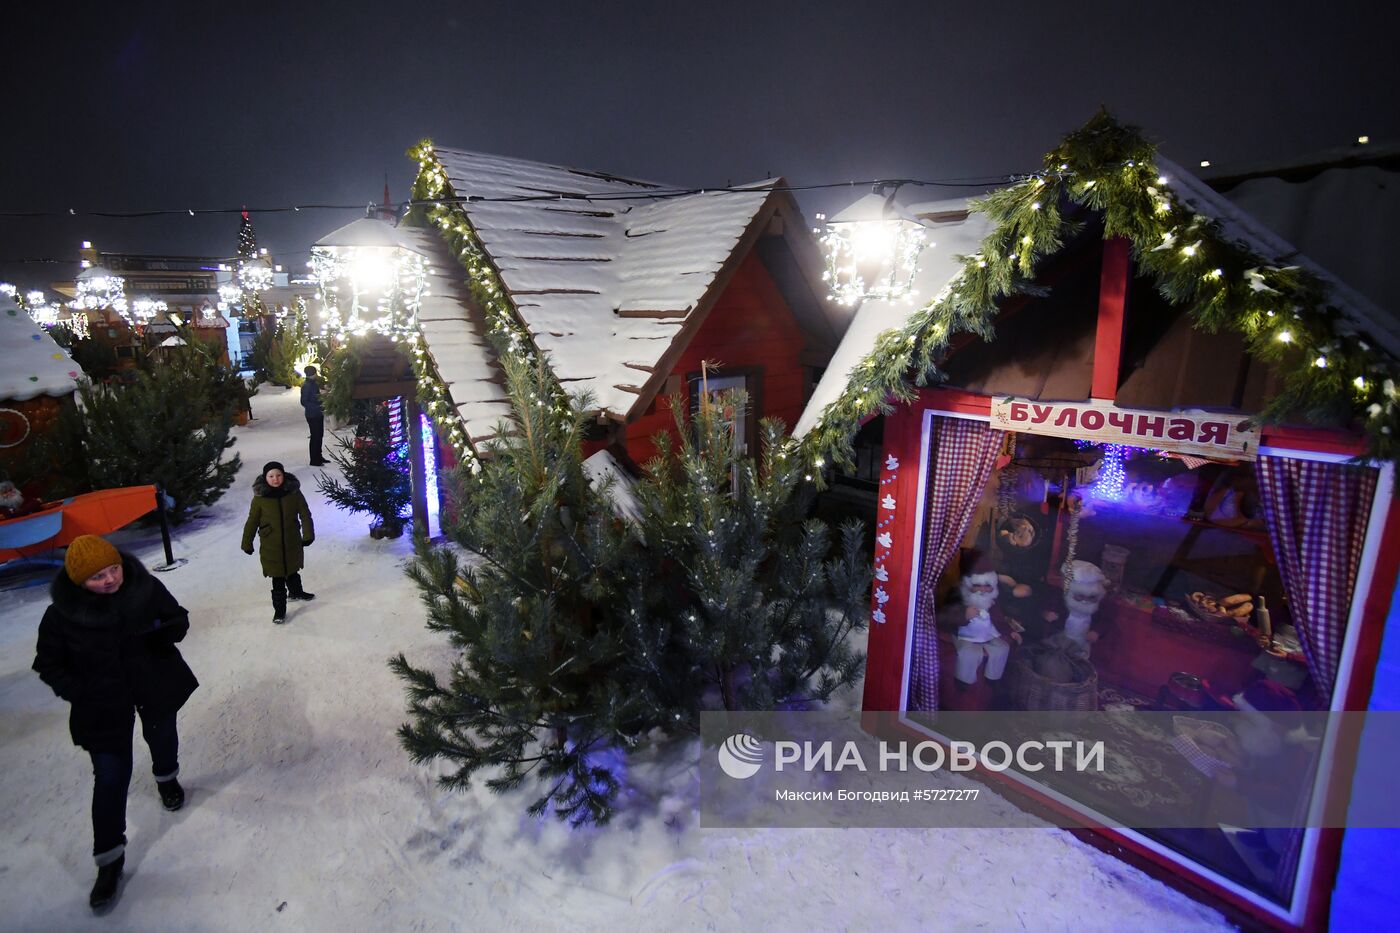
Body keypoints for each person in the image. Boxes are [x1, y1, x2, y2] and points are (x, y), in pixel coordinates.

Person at [31, 535, 199, 911]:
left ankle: (166, 777)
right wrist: (81, 691)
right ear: (78, 582)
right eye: (97, 577)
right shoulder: (61, 615)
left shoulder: (144, 588)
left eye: (113, 570)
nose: (109, 580)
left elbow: (177, 618)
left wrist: (168, 628)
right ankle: (109, 859)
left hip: (152, 682)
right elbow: (49, 664)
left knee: (163, 736)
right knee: (109, 775)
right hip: (102, 704)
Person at [241, 461, 316, 624]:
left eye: (279, 475)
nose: (275, 479)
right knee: (278, 579)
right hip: (271, 545)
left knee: (293, 570)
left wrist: (308, 534)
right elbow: (252, 521)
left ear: (284, 475)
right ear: (265, 478)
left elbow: (305, 513)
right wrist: (247, 543)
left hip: (292, 541)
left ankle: (296, 592)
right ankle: (280, 611)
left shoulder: (293, 493)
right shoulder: (260, 498)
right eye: (271, 476)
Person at [300, 364, 327, 466]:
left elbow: (315, 397)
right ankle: (314, 460)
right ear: (313, 374)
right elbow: (304, 401)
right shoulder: (307, 386)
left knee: (319, 436)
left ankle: (318, 456)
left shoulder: (313, 384)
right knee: (315, 437)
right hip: (312, 415)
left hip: (318, 413)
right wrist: (317, 405)